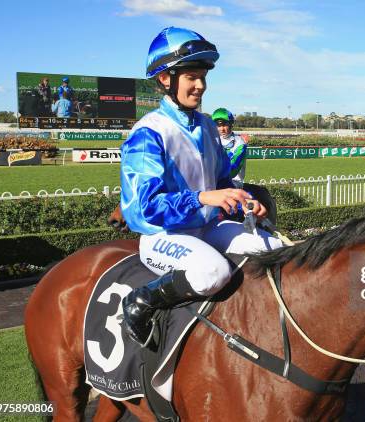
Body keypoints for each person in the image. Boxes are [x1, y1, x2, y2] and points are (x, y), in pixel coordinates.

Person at [119, 26, 282, 346]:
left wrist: (245, 200)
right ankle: (140, 302)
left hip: (208, 228)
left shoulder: (207, 126)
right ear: (166, 78)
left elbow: (221, 180)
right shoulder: (148, 132)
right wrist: (205, 197)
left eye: (203, 76)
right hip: (163, 236)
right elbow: (143, 208)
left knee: (277, 251)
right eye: (192, 76)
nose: (200, 85)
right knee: (213, 272)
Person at [212, 107, 248, 187]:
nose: (222, 129)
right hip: (213, 182)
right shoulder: (211, 140)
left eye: (224, 125)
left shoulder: (240, 143)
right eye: (218, 125)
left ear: (231, 124)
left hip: (233, 183)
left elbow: (233, 169)